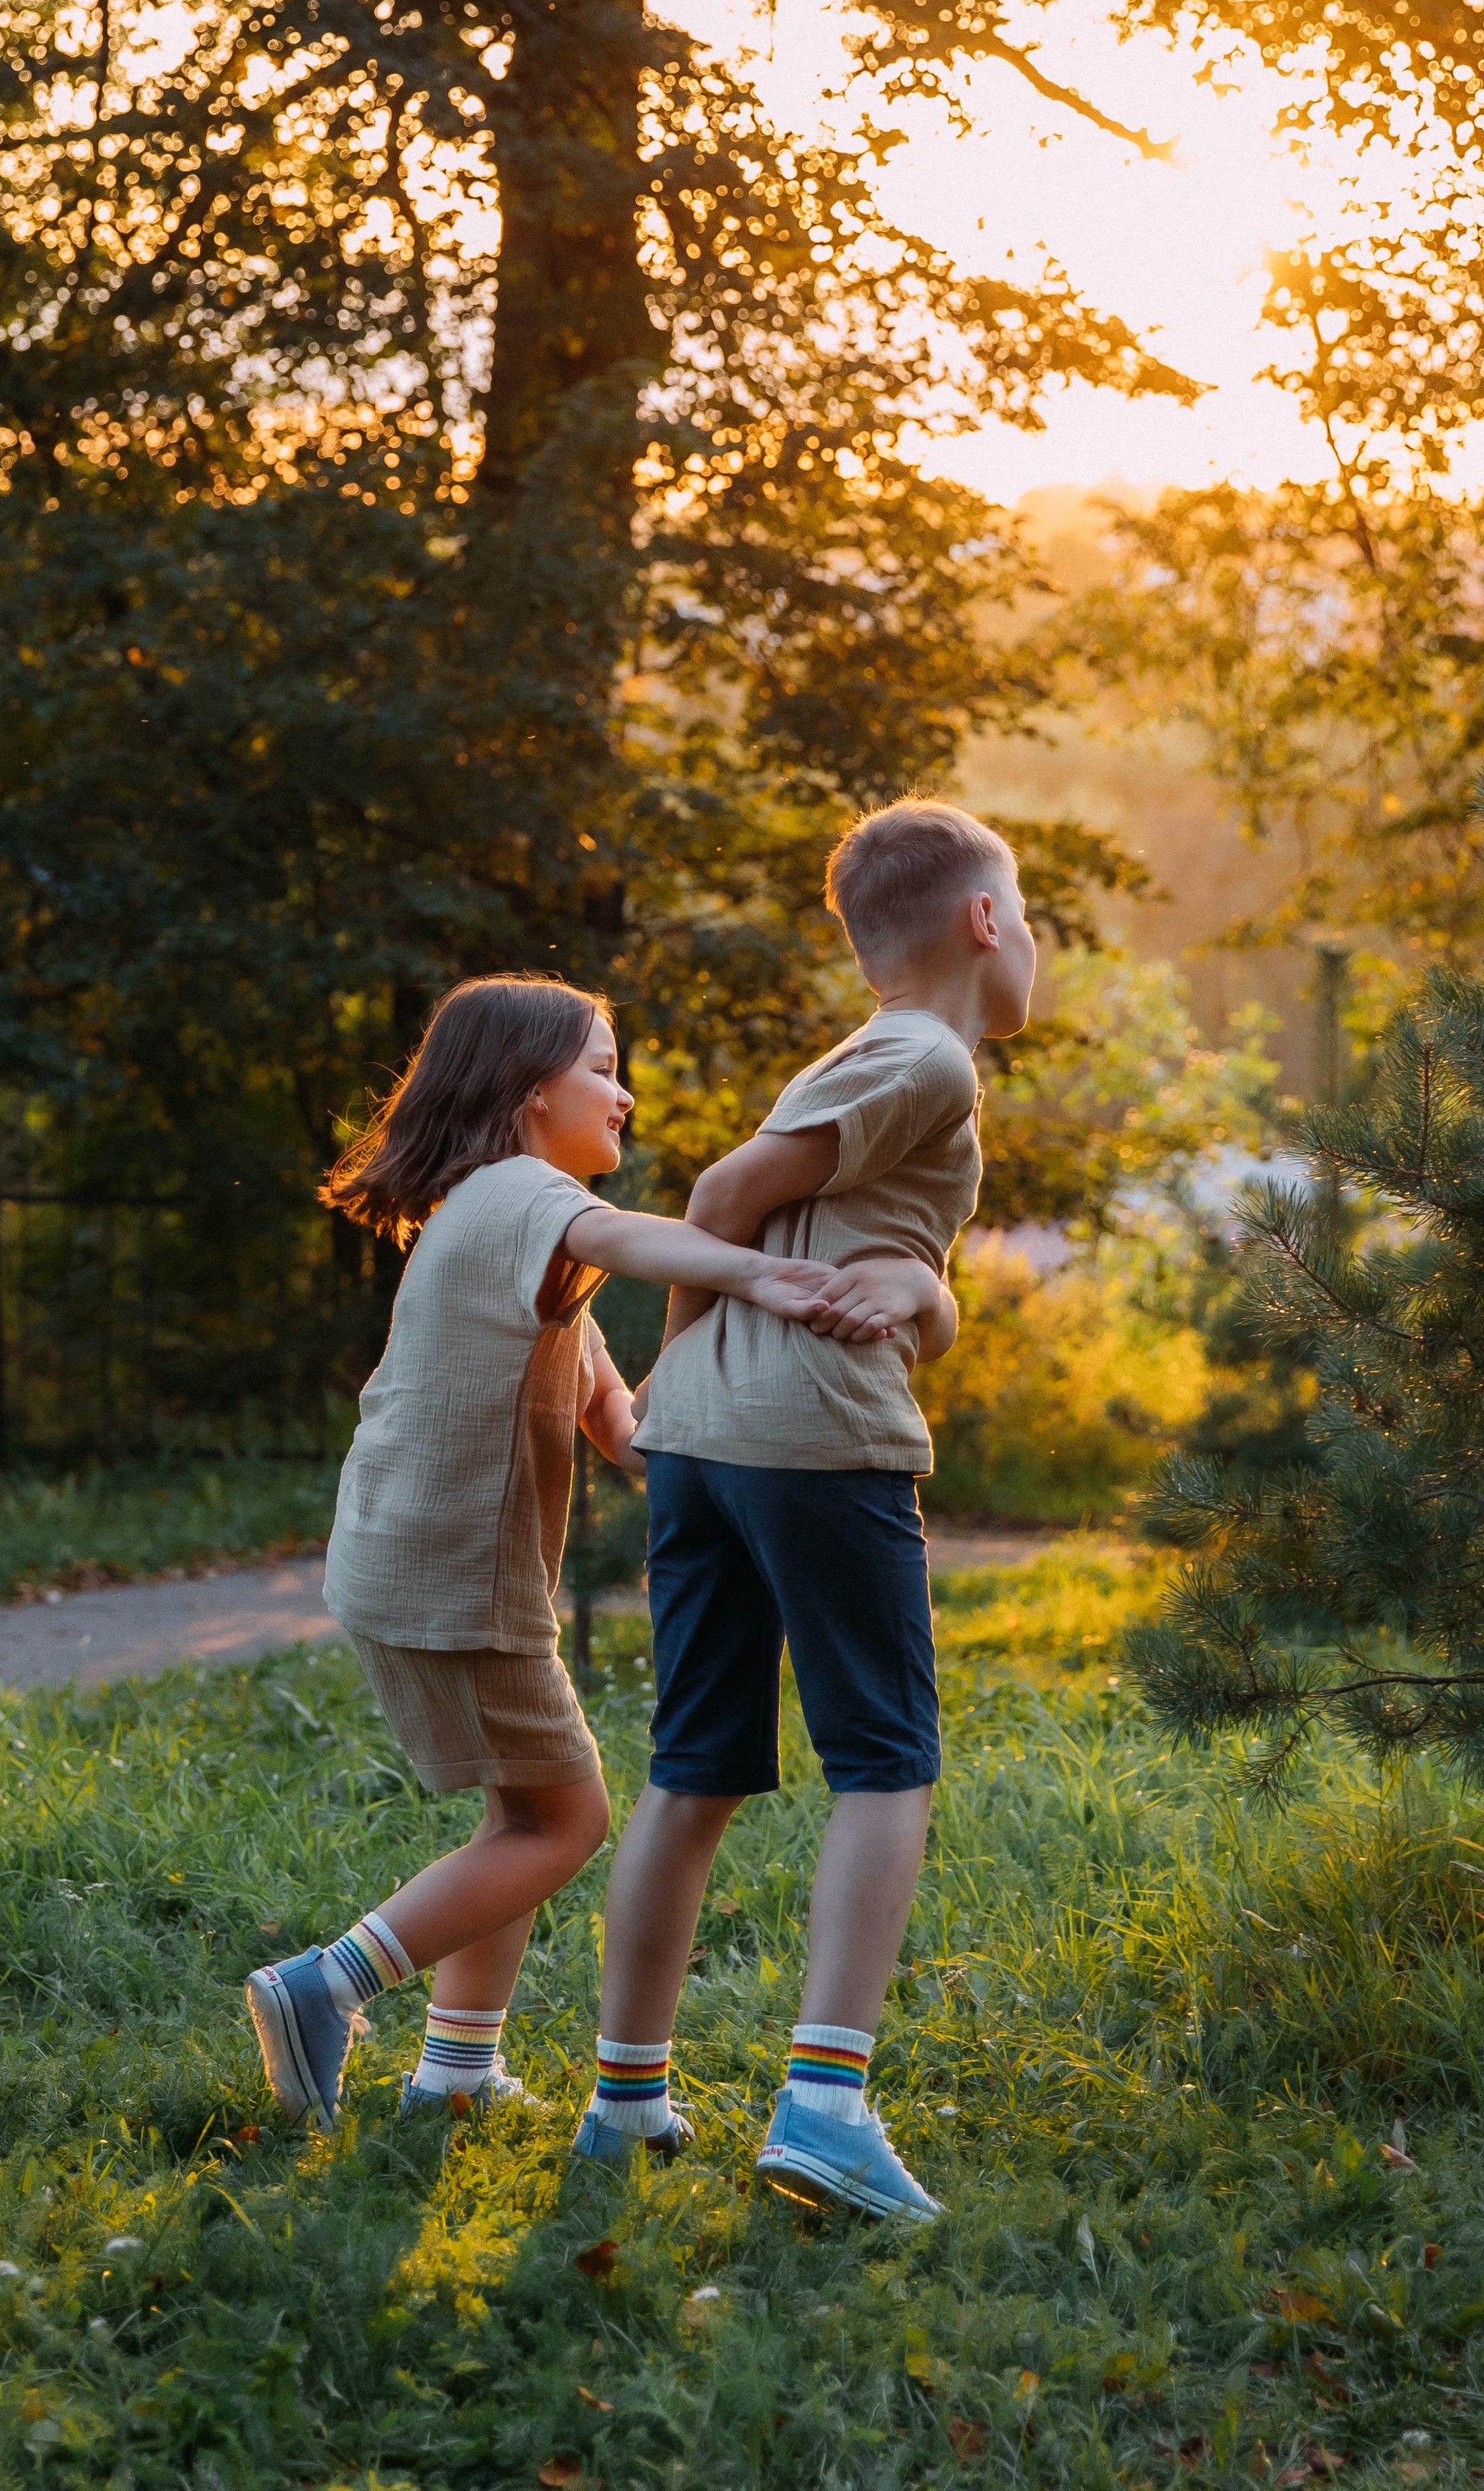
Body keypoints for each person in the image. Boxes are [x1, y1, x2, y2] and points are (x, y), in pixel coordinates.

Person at [245, 974, 892, 2132]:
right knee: (566, 1824)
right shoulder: (516, 1196)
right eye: (601, 1066)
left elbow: (624, 1429)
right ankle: (324, 1986)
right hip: (454, 1583)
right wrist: (754, 1269)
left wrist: (738, 1477)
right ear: (528, 1092)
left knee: (520, 1822)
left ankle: (454, 2073)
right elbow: (621, 1233)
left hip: (416, 1570)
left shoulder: (513, 1243)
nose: (625, 1092)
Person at [573, 801, 1035, 2222]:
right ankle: (826, 2105)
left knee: (696, 1763)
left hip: (721, 1444)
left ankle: (624, 2101)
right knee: (887, 1762)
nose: (1032, 946)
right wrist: (671, 1358)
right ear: (980, 924)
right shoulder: (924, 1055)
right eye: (1028, 916)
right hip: (812, 1440)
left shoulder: (874, 1057)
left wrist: (925, 1296)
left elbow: (879, 1265)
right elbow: (726, 1192)